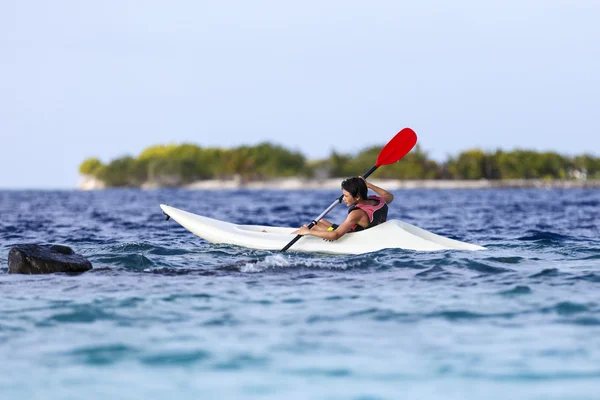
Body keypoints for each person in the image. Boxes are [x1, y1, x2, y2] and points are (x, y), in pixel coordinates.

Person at [293, 177, 394, 241]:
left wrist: (308, 232)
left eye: (346, 196)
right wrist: (368, 185)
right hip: (366, 233)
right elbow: (389, 195)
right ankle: (301, 232)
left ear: (357, 197)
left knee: (313, 227)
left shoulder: (357, 213)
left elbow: (335, 235)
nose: (343, 199)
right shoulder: (379, 201)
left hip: (352, 238)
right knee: (321, 221)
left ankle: (294, 235)